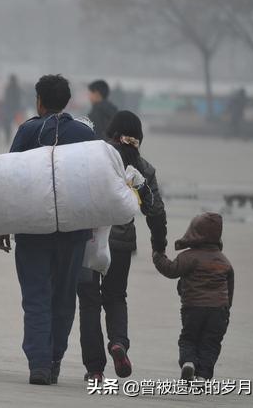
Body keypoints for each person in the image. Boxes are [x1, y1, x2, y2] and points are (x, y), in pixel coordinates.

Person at [0, 74, 95, 385]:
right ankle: (54, 360)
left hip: (32, 231)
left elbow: (10, 178)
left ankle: (38, 363)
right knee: (65, 297)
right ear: (66, 101)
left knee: (36, 297)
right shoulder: (84, 133)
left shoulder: (28, 131)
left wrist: (3, 225)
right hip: (73, 232)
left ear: (38, 101)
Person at [76, 110, 167, 382]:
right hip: (121, 244)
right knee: (115, 297)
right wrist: (158, 246)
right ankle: (118, 343)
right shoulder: (144, 168)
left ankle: (94, 369)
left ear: (111, 133)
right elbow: (156, 211)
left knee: (89, 303)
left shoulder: (94, 159)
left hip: (89, 242)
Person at [153, 213, 233, 381]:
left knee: (188, 338)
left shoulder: (189, 257)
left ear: (193, 232)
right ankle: (203, 376)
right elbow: (229, 290)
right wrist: (226, 311)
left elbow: (171, 270)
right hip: (218, 310)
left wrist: (158, 256)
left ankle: (188, 362)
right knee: (210, 344)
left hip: (193, 307)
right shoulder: (224, 261)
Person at [2, 74, 22, 145]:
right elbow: (19, 99)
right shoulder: (18, 88)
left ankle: (8, 138)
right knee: (17, 125)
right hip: (15, 109)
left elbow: (6, 99)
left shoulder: (8, 88)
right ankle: (16, 139)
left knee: (8, 124)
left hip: (9, 109)